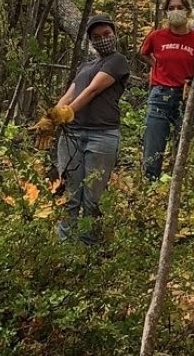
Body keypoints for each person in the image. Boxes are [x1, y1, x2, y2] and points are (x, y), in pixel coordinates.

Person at [32, 15, 129, 244]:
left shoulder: (117, 61)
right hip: (72, 135)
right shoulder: (86, 66)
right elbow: (71, 93)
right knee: (69, 194)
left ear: (114, 34)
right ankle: (65, 247)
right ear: (91, 41)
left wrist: (67, 113)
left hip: (102, 135)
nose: (103, 40)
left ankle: (89, 249)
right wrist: (51, 117)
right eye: (97, 37)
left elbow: (93, 90)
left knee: (92, 198)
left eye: (106, 34)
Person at [138, 0, 194, 180]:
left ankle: (184, 187)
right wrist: (156, 67)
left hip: (186, 97)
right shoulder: (156, 36)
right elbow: (143, 53)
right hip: (160, 96)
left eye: (179, 7)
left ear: (188, 10)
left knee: (190, 148)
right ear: (166, 12)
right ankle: (150, 188)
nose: (176, 11)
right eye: (171, 8)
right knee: (153, 148)